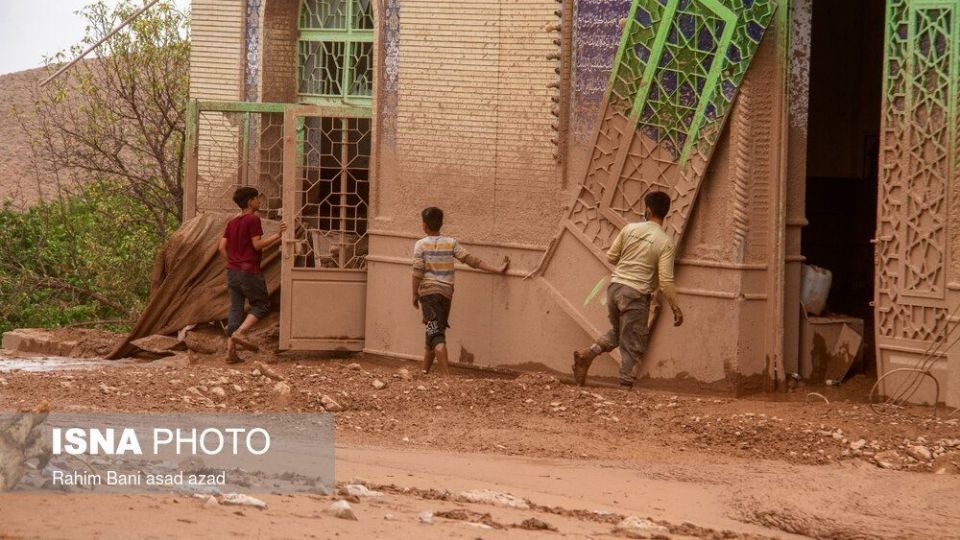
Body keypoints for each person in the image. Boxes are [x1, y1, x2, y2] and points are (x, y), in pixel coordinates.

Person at [573, 191, 683, 388]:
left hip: (615, 289)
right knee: (633, 343)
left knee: (620, 332)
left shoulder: (630, 229)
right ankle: (625, 389)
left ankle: (587, 354)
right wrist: (676, 308)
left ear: (647, 210)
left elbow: (612, 257)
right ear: (665, 213)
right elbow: (665, 281)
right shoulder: (665, 242)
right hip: (635, 294)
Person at [412, 207, 510, 375]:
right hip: (446, 294)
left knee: (435, 334)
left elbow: (417, 272)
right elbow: (472, 260)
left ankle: (447, 378)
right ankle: (424, 373)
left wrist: (414, 294)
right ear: (441, 224)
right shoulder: (451, 242)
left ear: (425, 225)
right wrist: (498, 269)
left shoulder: (421, 245)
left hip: (429, 295)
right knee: (433, 330)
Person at [218, 186, 286, 364]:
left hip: (232, 272)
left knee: (235, 309)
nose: (259, 201)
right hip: (249, 271)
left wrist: (233, 261)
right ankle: (240, 333)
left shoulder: (232, 222)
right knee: (262, 305)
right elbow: (257, 245)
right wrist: (279, 235)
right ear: (250, 202)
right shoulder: (253, 219)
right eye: (257, 198)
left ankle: (230, 353)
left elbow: (221, 247)